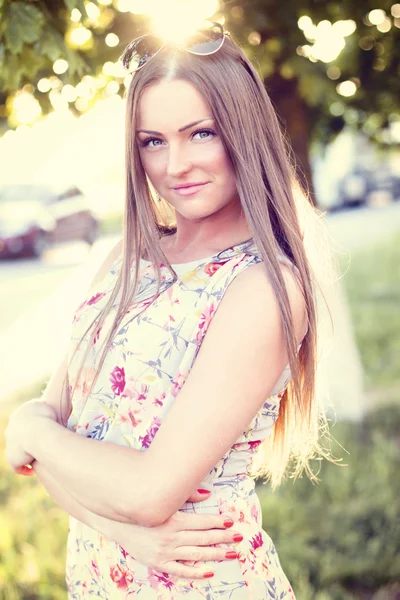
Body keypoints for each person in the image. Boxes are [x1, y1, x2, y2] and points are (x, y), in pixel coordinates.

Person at [5, 22, 331, 599]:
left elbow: (146, 490)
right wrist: (125, 532)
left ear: (243, 133)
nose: (174, 164)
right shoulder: (127, 258)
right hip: (102, 577)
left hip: (204, 584)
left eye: (200, 133)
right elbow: (49, 451)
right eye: (152, 141)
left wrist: (26, 424)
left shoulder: (260, 286)